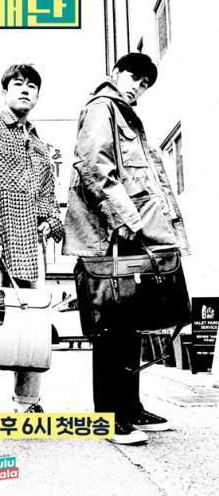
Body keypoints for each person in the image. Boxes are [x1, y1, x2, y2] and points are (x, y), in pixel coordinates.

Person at [63, 52, 189, 445]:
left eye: (144, 84)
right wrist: (125, 221)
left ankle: (130, 407)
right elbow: (94, 166)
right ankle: (109, 416)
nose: (137, 87)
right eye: (133, 78)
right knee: (111, 325)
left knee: (129, 320)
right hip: (110, 234)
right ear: (116, 73)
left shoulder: (125, 114)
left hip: (131, 234)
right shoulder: (102, 107)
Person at [0, 64, 64, 412]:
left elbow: (47, 193)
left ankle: (28, 400)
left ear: (37, 95)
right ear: (4, 91)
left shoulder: (40, 143)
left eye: (32, 86)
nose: (25, 90)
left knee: (33, 323)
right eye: (18, 84)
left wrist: (49, 221)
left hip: (30, 246)